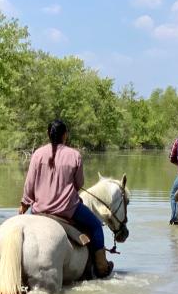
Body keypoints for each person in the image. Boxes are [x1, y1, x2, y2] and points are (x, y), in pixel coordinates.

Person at [20, 119, 113, 278]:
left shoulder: (37, 154)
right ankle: (101, 266)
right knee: (97, 226)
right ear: (65, 135)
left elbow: (30, 183)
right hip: (67, 210)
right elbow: (79, 184)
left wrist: (24, 204)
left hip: (39, 209)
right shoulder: (75, 155)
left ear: (48, 134)